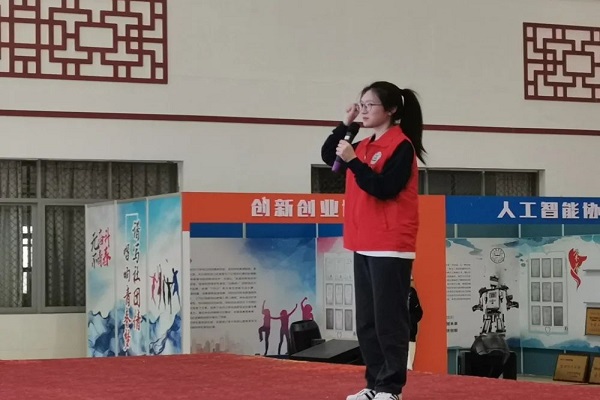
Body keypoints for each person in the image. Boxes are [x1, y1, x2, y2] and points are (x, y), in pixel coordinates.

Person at [321, 81, 426, 400]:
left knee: (389, 320)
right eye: (361, 105)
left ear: (391, 110)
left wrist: (354, 161)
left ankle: (391, 388)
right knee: (367, 321)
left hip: (390, 243)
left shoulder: (401, 146)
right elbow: (328, 156)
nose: (363, 110)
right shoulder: (363, 143)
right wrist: (346, 124)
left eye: (369, 105)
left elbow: (385, 188)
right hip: (362, 240)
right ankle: (374, 384)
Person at [407, 277, 423, 371]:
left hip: (410, 336)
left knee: (409, 368)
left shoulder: (411, 292)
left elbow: (419, 312)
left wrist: (409, 321)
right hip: (394, 337)